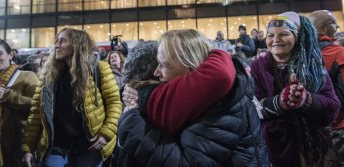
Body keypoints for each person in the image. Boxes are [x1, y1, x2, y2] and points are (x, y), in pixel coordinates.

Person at [118, 29, 269, 166]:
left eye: (164, 65)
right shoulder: (196, 96)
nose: (157, 73)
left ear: (189, 66)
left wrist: (132, 122)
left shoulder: (219, 102)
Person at [21, 28, 122, 167]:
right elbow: (36, 113)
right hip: (56, 148)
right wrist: (28, 148)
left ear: (77, 44)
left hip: (89, 146)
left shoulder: (99, 69)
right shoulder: (48, 75)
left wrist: (106, 133)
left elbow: (115, 103)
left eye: (63, 41)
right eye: (57, 41)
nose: (57, 45)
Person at [251, 12, 340, 167]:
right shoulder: (257, 68)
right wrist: (279, 103)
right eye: (270, 35)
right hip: (273, 152)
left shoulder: (313, 66)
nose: (276, 40)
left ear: (297, 37)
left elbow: (333, 106)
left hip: (314, 152)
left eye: (284, 34)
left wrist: (306, 100)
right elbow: (249, 110)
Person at [308, 10, 344, 166]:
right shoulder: (338, 53)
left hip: (310, 129)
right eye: (333, 23)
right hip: (339, 126)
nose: (336, 26)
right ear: (321, 28)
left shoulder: (296, 56)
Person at [0, 39, 38, 167]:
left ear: (10, 55)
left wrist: (9, 96)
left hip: (20, 142)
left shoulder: (27, 76)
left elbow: (38, 106)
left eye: (0, 53)